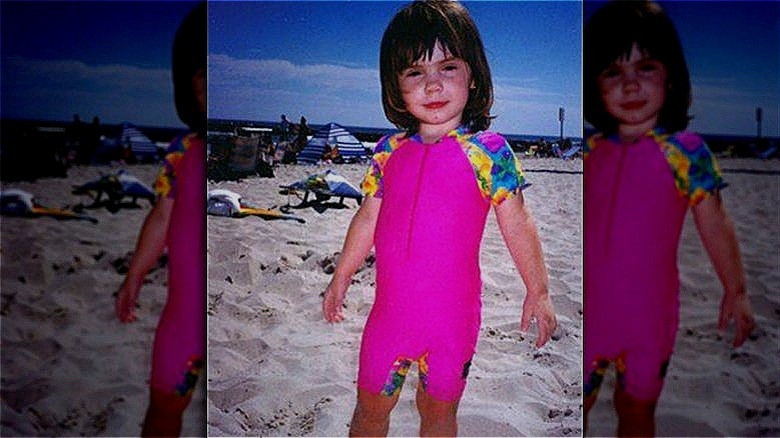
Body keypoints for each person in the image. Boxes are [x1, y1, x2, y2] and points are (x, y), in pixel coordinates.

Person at [321, 1, 556, 436]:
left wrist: (537, 290)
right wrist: (341, 276)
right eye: (414, 73)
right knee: (370, 408)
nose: (432, 85)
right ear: (395, 87)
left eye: (447, 67)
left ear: (473, 75)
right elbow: (367, 217)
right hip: (388, 317)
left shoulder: (488, 152)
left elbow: (518, 222)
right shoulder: (388, 153)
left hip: (452, 320)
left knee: (438, 412)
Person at [582, 2, 756, 436]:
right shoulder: (590, 153)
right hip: (590, 318)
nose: (630, 84)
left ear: (671, 75)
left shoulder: (685, 152)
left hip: (650, 318)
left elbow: (716, 222)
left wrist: (736, 290)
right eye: (612, 73)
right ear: (594, 86)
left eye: (646, 67)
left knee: (636, 413)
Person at [115, 3, 206, 436]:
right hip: (183, 316)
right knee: (165, 404)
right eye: (204, 75)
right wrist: (135, 273)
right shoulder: (181, 152)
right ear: (189, 85)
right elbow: (161, 217)